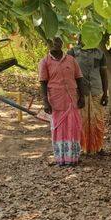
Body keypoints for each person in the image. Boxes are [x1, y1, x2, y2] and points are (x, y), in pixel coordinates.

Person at [40, 37, 85, 166]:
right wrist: (45, 102)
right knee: (58, 129)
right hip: (56, 100)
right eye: (52, 42)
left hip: (72, 99)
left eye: (57, 42)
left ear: (62, 44)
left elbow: (79, 78)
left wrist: (82, 97)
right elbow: (43, 83)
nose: (55, 44)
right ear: (48, 45)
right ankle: (61, 159)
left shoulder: (71, 60)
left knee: (73, 127)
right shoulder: (44, 62)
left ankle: (73, 158)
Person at [68, 35, 108, 154]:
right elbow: (69, 74)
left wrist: (106, 93)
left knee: (98, 119)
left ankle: (98, 147)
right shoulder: (73, 53)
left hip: (96, 90)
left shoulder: (100, 53)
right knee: (81, 120)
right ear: (80, 39)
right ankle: (82, 148)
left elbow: (104, 74)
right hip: (80, 93)